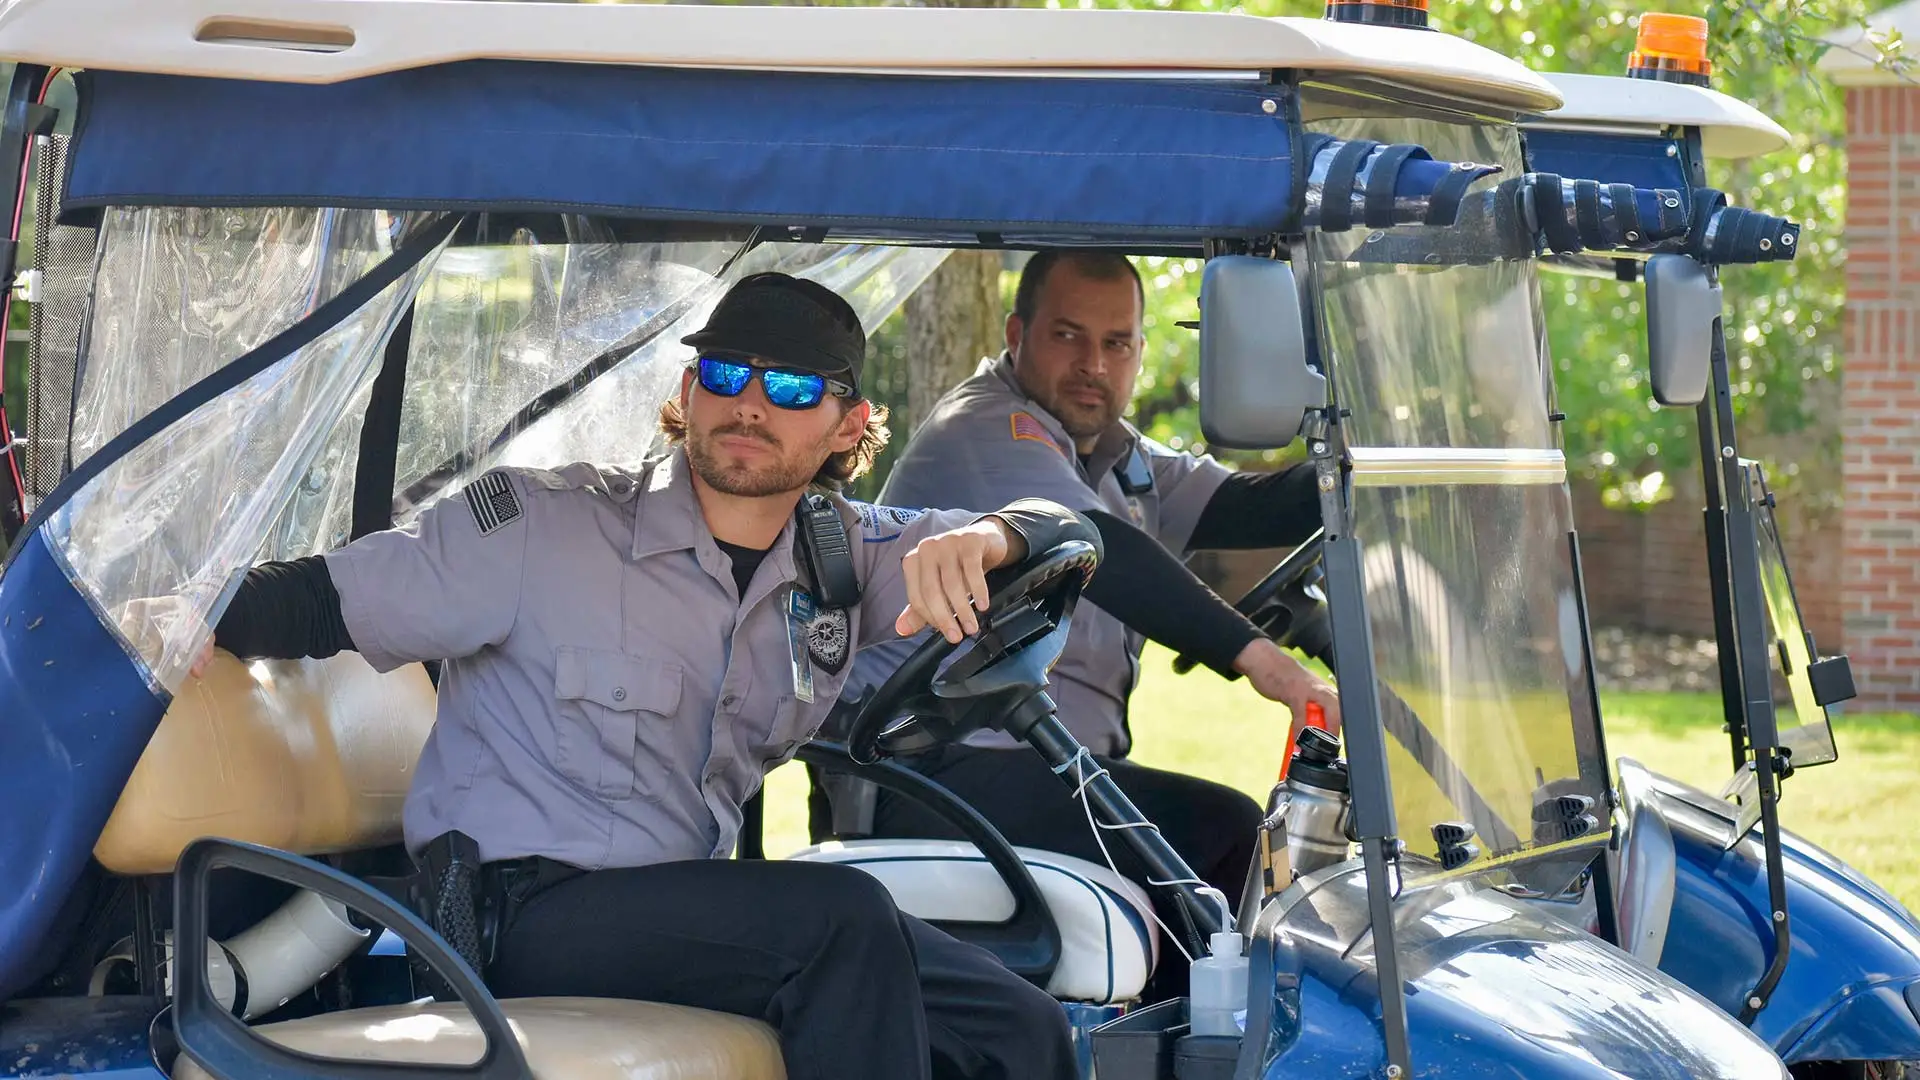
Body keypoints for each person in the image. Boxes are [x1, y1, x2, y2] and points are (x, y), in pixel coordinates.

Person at [193, 272, 1093, 1080]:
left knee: (1021, 1024)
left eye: (789, 387)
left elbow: (1071, 537)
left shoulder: (846, 556)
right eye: (726, 375)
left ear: (848, 424)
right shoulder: (540, 527)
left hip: (684, 918)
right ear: (689, 391)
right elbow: (319, 601)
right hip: (521, 916)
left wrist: (997, 536)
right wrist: (165, 621)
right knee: (840, 919)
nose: (750, 405)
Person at [836, 251, 1339, 999]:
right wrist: (1267, 664)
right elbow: (1108, 550)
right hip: (927, 770)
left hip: (1035, 764)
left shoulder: (1117, 454)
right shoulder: (988, 428)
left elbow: (1248, 506)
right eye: (1068, 337)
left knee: (1226, 844)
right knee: (1222, 835)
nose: (1092, 365)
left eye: (1116, 344)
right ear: (1018, 334)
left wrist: (1361, 459)